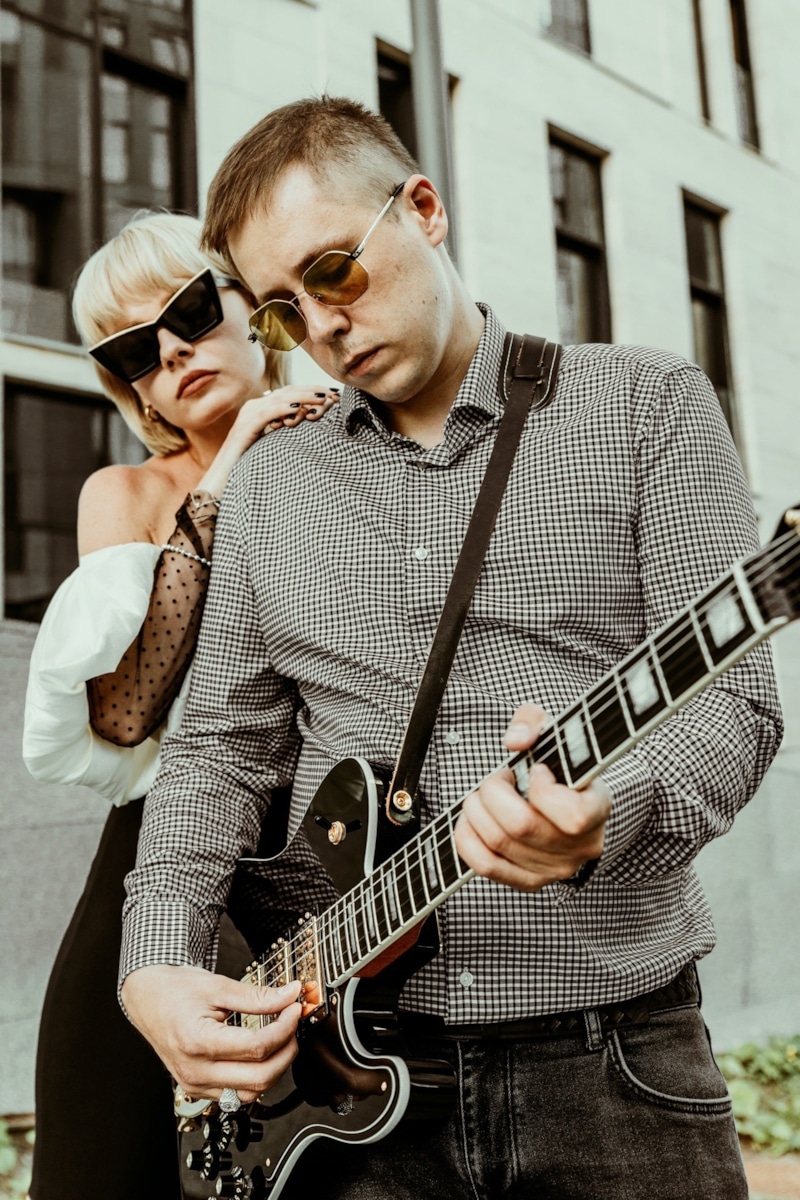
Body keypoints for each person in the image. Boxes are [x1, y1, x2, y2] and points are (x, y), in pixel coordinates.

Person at [119, 99, 782, 1199]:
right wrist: (155, 960)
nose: (322, 328)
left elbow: (734, 705)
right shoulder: (273, 479)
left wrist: (609, 812)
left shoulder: (645, 405)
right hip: (336, 1088)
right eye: (282, 313)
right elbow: (219, 748)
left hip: (613, 1064)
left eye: (332, 271)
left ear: (422, 209)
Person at [21, 210, 338, 1200]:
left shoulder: (352, 446)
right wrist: (229, 463)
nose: (169, 352)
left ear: (252, 308)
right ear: (130, 388)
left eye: (190, 312)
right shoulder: (123, 493)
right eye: (133, 351)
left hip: (332, 867)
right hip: (153, 878)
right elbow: (126, 709)